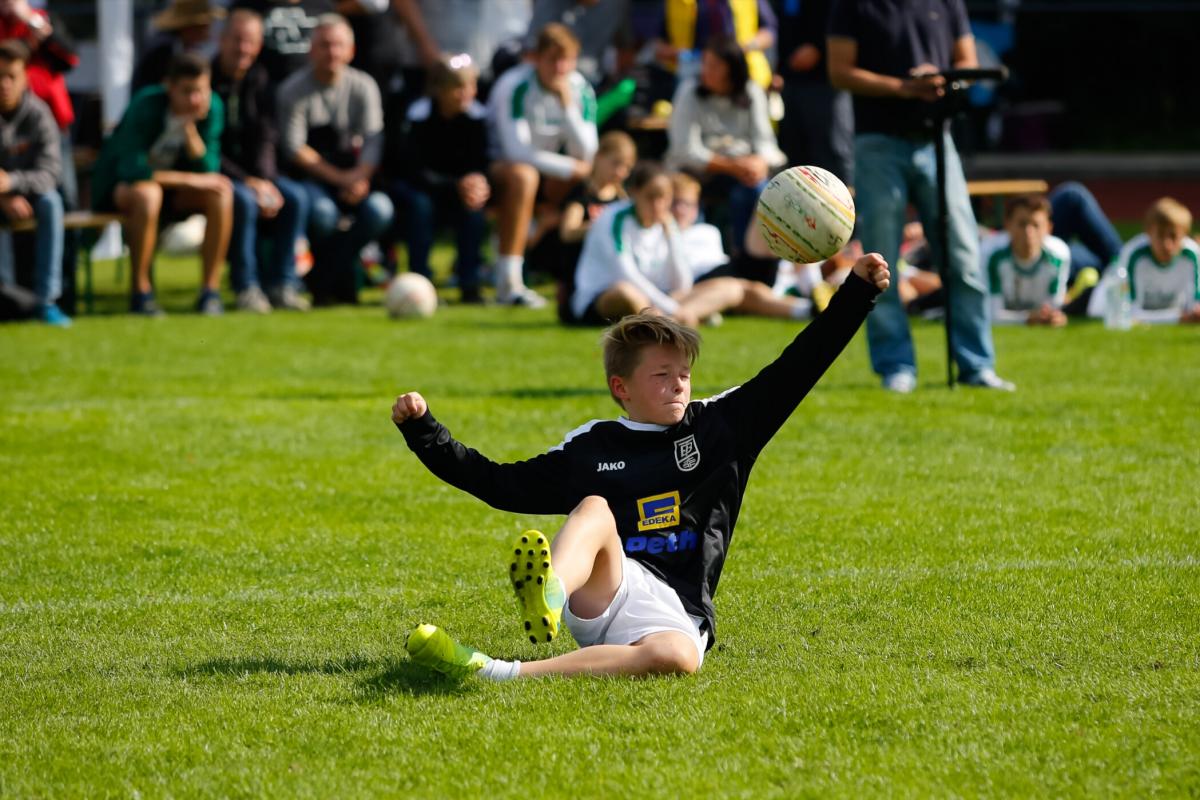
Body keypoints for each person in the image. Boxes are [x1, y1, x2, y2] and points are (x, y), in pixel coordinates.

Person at [392, 251, 891, 680]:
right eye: (661, 374)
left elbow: (799, 366)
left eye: (684, 374)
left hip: (678, 607)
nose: (678, 384)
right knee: (594, 509)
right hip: (606, 587)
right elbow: (498, 483)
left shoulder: (721, 428)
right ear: (621, 388)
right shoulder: (592, 446)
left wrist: (856, 293)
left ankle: (497, 671)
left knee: (679, 658)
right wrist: (425, 432)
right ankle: (549, 592)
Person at [828, 0, 1013, 393]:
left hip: (936, 139)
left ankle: (976, 365)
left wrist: (944, 79)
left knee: (963, 256)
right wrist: (903, 87)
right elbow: (839, 71)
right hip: (877, 141)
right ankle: (895, 365)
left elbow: (966, 61)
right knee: (879, 264)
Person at [92, 53, 233, 317]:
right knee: (149, 195)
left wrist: (190, 131)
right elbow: (133, 170)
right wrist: (189, 179)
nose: (195, 99)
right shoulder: (146, 103)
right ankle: (141, 293)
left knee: (221, 194)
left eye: (201, 91)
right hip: (121, 188)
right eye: (187, 91)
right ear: (169, 87)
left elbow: (208, 170)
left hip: (173, 193)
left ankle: (210, 292)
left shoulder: (212, 107)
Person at [277, 13, 394, 305]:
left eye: (338, 45)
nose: (332, 52)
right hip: (312, 181)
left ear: (351, 51)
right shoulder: (292, 90)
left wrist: (359, 177)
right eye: (324, 45)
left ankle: (324, 277)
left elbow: (373, 139)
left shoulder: (364, 86)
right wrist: (342, 179)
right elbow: (294, 148)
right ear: (311, 50)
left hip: (357, 179)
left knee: (380, 210)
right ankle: (336, 280)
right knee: (323, 214)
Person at [487, 22, 599, 308]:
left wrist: (567, 106)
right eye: (553, 59)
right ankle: (508, 283)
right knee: (524, 177)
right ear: (536, 58)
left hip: (550, 173)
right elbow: (515, 151)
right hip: (500, 170)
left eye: (567, 60)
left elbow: (587, 151)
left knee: (598, 176)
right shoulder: (514, 85)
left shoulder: (579, 87)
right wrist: (569, 168)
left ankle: (578, 276)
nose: (560, 68)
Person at [212, 8, 312, 313]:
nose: (243, 48)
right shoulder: (206, 81)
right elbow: (210, 147)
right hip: (219, 174)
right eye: (237, 40)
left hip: (257, 174)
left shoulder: (263, 80)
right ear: (221, 40)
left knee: (295, 197)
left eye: (250, 42)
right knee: (242, 200)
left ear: (259, 46)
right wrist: (248, 182)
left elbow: (267, 137)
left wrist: (265, 180)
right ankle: (246, 286)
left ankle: (284, 284)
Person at [665, 36, 785, 258]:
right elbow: (684, 149)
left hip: (743, 175)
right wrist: (730, 166)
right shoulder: (689, 92)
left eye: (714, 66)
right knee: (685, 196)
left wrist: (758, 163)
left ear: (732, 69)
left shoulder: (751, 92)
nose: (705, 71)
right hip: (696, 173)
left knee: (761, 192)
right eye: (705, 63)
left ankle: (751, 259)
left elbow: (766, 143)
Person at [387, 53, 489, 304]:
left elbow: (481, 162)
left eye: (470, 86)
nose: (466, 93)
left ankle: (470, 283)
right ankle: (421, 280)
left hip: (455, 191)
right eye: (458, 87)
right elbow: (412, 170)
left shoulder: (477, 118)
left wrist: (477, 183)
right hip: (418, 189)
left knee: (473, 211)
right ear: (439, 89)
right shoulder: (417, 116)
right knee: (421, 206)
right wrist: (457, 185)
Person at [0, 40, 65, 326]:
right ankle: (5, 297)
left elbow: (51, 172)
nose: (4, 84)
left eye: (11, 76)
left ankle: (47, 300)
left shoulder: (40, 115)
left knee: (52, 202)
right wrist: (3, 197)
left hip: (29, 195)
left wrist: (12, 183)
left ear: (25, 77)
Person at [543, 129, 635, 319]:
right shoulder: (582, 194)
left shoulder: (622, 199)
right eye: (615, 163)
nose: (620, 172)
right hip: (581, 280)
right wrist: (602, 226)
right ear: (598, 157)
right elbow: (568, 232)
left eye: (626, 167)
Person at [774, 0, 853, 185]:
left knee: (832, 156)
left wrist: (819, 46)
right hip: (790, 83)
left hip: (826, 84)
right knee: (796, 160)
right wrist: (779, 69)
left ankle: (844, 203)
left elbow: (844, 21)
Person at [1089, 197, 1200, 325]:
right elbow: (1130, 313)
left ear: (1184, 234)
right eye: (1160, 235)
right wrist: (1177, 318)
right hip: (1093, 301)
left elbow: (1194, 306)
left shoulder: (1192, 255)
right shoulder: (1134, 255)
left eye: (1173, 236)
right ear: (1148, 232)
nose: (1167, 245)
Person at [982, 194, 1072, 327]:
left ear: (1048, 228)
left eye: (1036, 225)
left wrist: (1054, 316)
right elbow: (989, 314)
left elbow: (1054, 306)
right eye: (1022, 224)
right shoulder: (990, 254)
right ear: (1007, 225)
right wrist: (1027, 318)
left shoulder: (1059, 255)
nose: (1029, 232)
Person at [132, 0, 226, 93]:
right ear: (191, 27)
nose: (207, 32)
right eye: (204, 27)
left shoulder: (181, 46)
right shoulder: (164, 49)